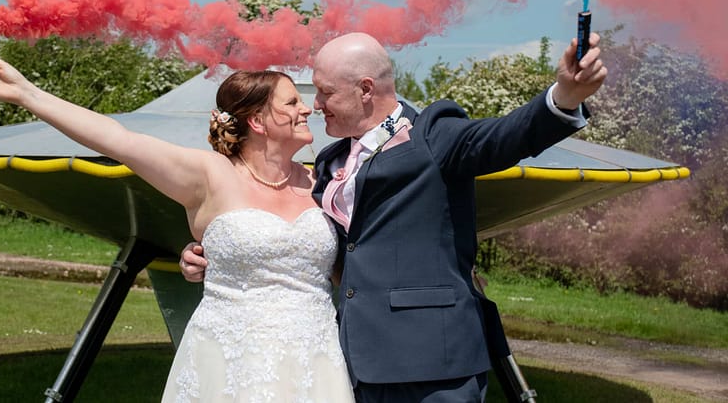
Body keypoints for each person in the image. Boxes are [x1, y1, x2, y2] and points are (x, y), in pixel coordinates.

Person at [181, 31, 607, 402]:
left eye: (326, 92)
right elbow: (308, 241)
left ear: (365, 89)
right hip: (351, 362)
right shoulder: (329, 161)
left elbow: (504, 136)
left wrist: (564, 97)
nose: (317, 104)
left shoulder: (435, 135)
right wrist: (219, 254)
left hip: (431, 364)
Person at [0, 53, 355, 403]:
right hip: (230, 360)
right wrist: (25, 93)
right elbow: (117, 139)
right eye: (292, 102)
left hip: (316, 357)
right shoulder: (210, 175)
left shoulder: (323, 181)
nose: (307, 109)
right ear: (257, 121)